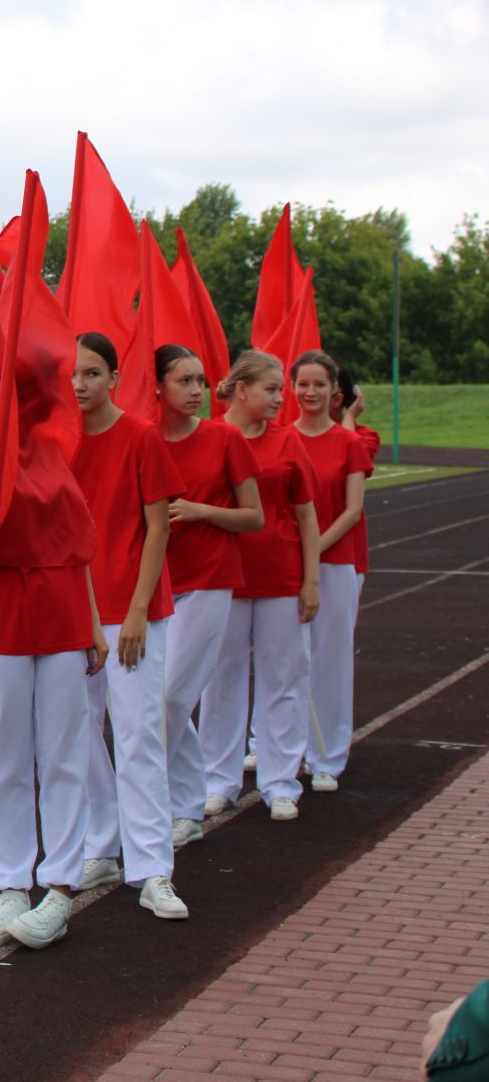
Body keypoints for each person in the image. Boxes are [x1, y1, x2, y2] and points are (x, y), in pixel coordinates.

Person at [0, 363, 107, 952]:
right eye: (27, 391)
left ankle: (60, 888)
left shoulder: (55, 451)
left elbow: (79, 545)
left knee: (66, 755)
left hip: (63, 617)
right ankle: (10, 886)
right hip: (4, 621)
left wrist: (91, 620)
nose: (40, 402)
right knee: (9, 757)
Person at [69, 334, 186, 920]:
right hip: (74, 615)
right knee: (82, 734)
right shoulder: (57, 442)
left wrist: (138, 608)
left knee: (139, 734)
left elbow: (158, 527)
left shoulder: (140, 435)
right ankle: (101, 844)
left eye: (92, 373)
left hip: (134, 612)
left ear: (114, 378)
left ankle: (153, 867)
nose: (80, 384)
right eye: (72, 375)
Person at [200, 351, 321, 821]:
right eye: (271, 389)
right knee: (219, 681)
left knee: (284, 679)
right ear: (242, 389)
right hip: (222, 579)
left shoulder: (289, 443)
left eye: (280, 390)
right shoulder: (209, 437)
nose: (280, 398)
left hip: (279, 579)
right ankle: (218, 779)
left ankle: (280, 782)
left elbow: (308, 516)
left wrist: (310, 580)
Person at [154, 345, 262, 852]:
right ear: (157, 386)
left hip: (211, 579)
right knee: (161, 701)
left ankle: (159, 803)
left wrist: (201, 511)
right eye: (185, 381)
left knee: (172, 698)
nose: (197, 391)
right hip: (156, 585)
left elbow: (254, 517)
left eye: (201, 380)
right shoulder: (143, 440)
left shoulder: (225, 438)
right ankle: (188, 807)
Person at [291, 350, 372, 792]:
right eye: (303, 384)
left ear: (335, 392)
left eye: (319, 384)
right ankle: (288, 748)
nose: (310, 392)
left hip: (335, 564)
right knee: (289, 660)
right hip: (291, 568)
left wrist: (312, 550)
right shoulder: (283, 437)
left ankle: (328, 756)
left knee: (331, 659)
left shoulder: (349, 443)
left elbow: (352, 510)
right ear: (292, 388)